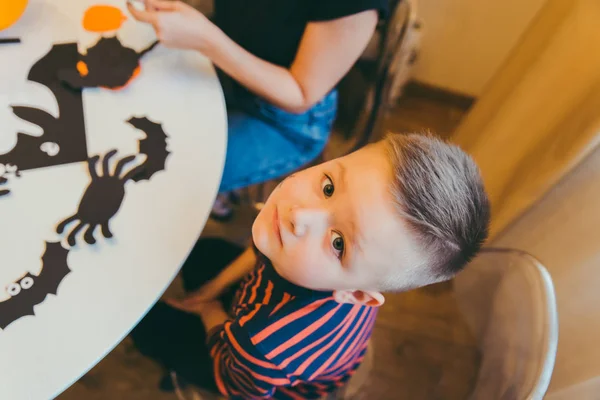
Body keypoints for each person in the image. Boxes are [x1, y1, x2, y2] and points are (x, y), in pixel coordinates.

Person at [130, 132, 491, 399]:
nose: (299, 215)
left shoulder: (264, 343)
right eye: (329, 187)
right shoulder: (317, 259)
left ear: (358, 295)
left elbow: (235, 381)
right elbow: (261, 250)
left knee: (146, 326)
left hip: (252, 372)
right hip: (265, 319)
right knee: (206, 253)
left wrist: (209, 312)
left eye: (338, 243)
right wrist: (212, 290)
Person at [127, 0, 389, 220]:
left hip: (286, 121)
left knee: (165, 175)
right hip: (224, 69)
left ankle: (217, 191)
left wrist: (207, 40)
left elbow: (301, 93)